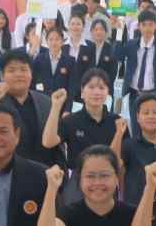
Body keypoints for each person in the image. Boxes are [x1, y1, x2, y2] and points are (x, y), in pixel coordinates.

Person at [41, 70, 124, 204]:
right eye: (91, 87)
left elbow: (119, 160)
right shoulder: (71, 121)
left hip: (107, 179)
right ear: (82, 92)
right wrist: (55, 107)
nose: (96, 92)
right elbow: (48, 142)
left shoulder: (117, 121)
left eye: (101, 87)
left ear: (108, 92)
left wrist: (119, 133)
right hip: (78, 180)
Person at [0, 49, 54, 146]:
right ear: (2, 76)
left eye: (23, 70)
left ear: (31, 74)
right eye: (11, 70)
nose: (18, 74)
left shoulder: (46, 102)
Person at [32, 22, 77, 97]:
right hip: (42, 99)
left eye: (57, 39)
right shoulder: (39, 59)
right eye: (51, 39)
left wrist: (67, 104)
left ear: (62, 42)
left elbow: (72, 87)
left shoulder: (70, 61)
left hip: (62, 100)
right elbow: (33, 82)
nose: (54, 42)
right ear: (46, 41)